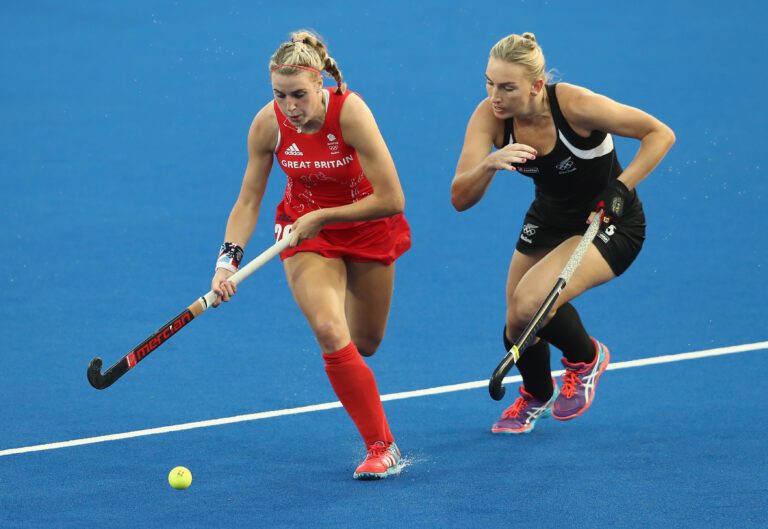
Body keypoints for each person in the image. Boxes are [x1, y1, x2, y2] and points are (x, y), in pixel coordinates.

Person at [451, 32, 674, 434]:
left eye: (506, 87)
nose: (494, 96)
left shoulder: (576, 106)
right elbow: (460, 197)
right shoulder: (491, 117)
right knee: (517, 324)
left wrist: (620, 188)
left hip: (608, 220)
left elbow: (660, 134)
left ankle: (586, 358)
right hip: (550, 218)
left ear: (537, 86)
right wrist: (489, 164)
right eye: (488, 82)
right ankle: (536, 395)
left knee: (529, 303)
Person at [211, 30, 411, 478]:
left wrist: (326, 216)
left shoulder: (351, 113)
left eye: (299, 95)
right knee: (327, 328)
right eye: (279, 95)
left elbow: (394, 198)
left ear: (320, 85)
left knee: (365, 343)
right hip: (303, 233)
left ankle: (355, 374)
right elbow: (247, 201)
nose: (290, 107)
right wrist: (227, 263)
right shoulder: (268, 124)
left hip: (367, 225)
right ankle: (382, 446)